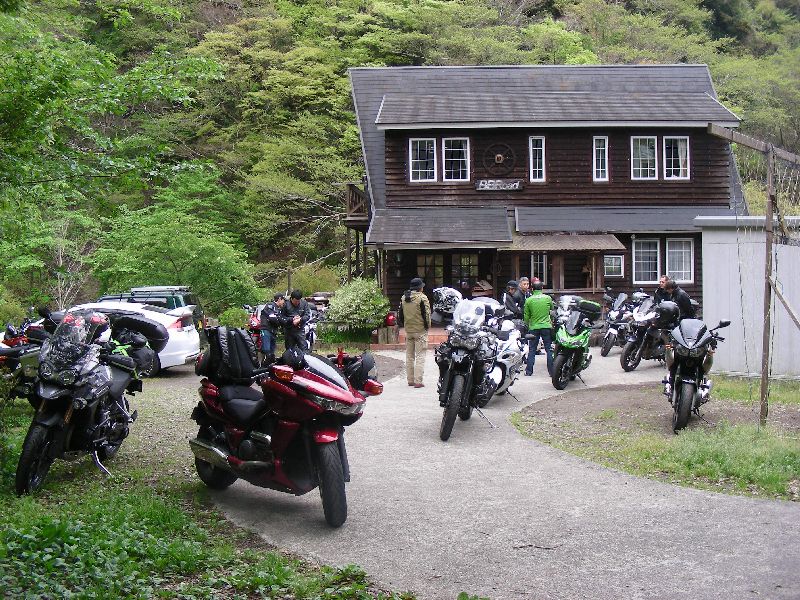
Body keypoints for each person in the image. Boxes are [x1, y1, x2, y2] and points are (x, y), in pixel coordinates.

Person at [399, 277, 431, 388]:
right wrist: (427, 327)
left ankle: (410, 380)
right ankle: (418, 381)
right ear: (420, 288)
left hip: (409, 330)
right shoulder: (422, 298)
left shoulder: (404, 298)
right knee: (420, 355)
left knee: (409, 356)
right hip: (420, 331)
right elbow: (427, 315)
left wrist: (406, 326)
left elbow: (400, 315)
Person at [523, 281, 554, 376]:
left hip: (534, 326)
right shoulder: (548, 298)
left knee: (532, 349)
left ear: (532, 289)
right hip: (546, 326)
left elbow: (526, 316)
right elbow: (552, 311)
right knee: (549, 349)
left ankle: (529, 371)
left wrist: (527, 325)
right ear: (542, 288)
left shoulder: (529, 300)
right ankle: (552, 371)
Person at [259, 293, 286, 363]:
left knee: (272, 351)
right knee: (266, 350)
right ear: (279, 299)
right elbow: (272, 318)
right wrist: (280, 321)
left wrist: (281, 321)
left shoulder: (278, 309)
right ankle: (260, 365)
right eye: (283, 300)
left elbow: (280, 319)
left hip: (273, 332)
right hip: (266, 330)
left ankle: (269, 365)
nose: (284, 302)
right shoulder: (270, 305)